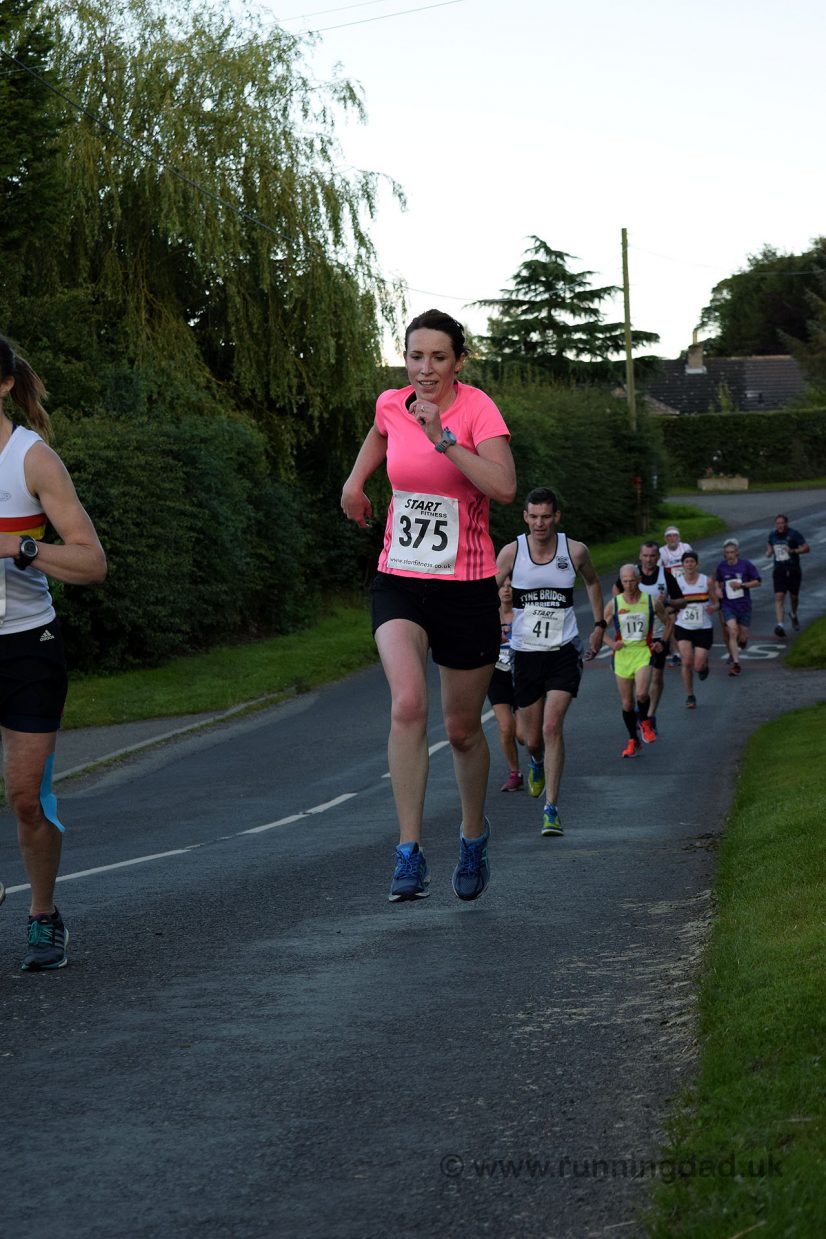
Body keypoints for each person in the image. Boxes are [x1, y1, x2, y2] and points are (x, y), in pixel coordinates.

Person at [341, 309, 516, 903]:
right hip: (401, 580)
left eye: (438, 358)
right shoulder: (393, 402)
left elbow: (504, 487)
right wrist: (355, 482)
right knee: (408, 704)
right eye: (416, 356)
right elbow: (380, 432)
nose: (425, 369)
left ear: (458, 361)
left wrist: (443, 436)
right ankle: (409, 851)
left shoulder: (477, 410)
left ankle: (472, 836)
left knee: (463, 730)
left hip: (466, 586)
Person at [0, 335, 107, 970]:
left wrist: (20, 549)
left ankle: (43, 914)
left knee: (24, 797)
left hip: (26, 645)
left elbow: (92, 562)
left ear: (6, 385)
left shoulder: (32, 461)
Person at [496, 487, 605, 838]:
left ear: (556, 517)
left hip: (563, 651)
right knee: (530, 737)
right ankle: (535, 762)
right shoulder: (512, 553)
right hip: (526, 653)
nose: (540, 523)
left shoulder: (574, 551)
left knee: (551, 726)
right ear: (525, 518)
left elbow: (592, 582)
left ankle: (552, 808)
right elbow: (486, 594)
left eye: (546, 516)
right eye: (534, 516)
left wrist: (600, 625)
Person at [612, 540, 683, 735]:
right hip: (633, 638)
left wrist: (666, 603)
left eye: (653, 556)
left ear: (658, 557)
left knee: (656, 677)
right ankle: (641, 711)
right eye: (645, 556)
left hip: (657, 635)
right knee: (634, 685)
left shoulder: (665, 576)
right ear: (640, 556)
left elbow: (681, 601)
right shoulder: (631, 574)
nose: (649, 559)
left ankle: (649, 715)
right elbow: (616, 592)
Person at [604, 564, 672, 757]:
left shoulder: (650, 602)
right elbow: (600, 629)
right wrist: (611, 644)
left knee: (641, 694)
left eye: (632, 580)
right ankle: (633, 740)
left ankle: (645, 722)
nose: (628, 584)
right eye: (624, 581)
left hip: (643, 651)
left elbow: (668, 622)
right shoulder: (615, 603)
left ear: (639, 580)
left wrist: (663, 642)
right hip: (623, 655)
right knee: (626, 704)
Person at [487, 577, 523, 792]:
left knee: (524, 735)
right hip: (497, 675)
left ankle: (538, 761)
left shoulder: (523, 614)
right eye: (503, 586)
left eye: (511, 586)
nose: (507, 590)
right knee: (506, 727)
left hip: (522, 676)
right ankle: (514, 773)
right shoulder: (489, 616)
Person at [671, 550, 719, 708]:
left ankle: (703, 665)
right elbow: (673, 604)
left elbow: (716, 602)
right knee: (686, 661)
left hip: (703, 627)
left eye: (692, 562)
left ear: (697, 564)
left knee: (697, 666)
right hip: (683, 626)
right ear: (683, 565)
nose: (689, 565)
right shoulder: (677, 582)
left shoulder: (706, 581)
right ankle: (690, 695)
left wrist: (713, 607)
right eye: (686, 562)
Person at [714, 538, 762, 675]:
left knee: (743, 636)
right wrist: (717, 589)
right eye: (727, 553)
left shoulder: (746, 565)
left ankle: (743, 641)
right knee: (732, 631)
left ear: (737, 553)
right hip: (728, 605)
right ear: (724, 554)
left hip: (744, 605)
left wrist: (742, 585)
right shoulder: (721, 567)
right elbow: (717, 580)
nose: (729, 555)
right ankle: (736, 664)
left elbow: (758, 582)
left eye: (732, 552)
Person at [765, 514, 809, 637]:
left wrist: (794, 551)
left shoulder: (794, 534)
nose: (779, 525)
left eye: (782, 523)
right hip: (779, 570)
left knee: (794, 597)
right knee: (779, 596)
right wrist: (769, 552)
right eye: (777, 523)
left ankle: (793, 614)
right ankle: (780, 625)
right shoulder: (772, 534)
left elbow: (806, 548)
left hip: (793, 570)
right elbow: (769, 543)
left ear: (786, 524)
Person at [658, 525, 694, 667]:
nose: (672, 539)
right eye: (669, 536)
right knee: (671, 621)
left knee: (688, 620)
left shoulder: (686, 548)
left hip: (687, 589)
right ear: (665, 539)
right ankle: (676, 653)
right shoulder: (662, 552)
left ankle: (689, 646)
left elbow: (693, 564)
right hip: (671, 590)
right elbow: (659, 572)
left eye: (674, 536)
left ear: (679, 537)